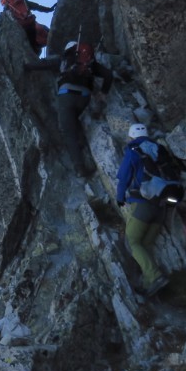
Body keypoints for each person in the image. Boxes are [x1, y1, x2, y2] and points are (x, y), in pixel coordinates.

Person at [24, 40, 113, 177]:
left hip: (66, 96)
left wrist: (27, 66)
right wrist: (103, 93)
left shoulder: (63, 59)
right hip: (84, 98)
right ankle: (82, 142)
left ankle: (80, 168)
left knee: (68, 132)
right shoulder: (89, 62)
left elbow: (43, 64)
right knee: (74, 119)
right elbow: (108, 75)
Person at [116, 123, 169, 297]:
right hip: (162, 206)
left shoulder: (133, 152)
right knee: (145, 243)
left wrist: (120, 197)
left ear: (131, 137)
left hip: (143, 203)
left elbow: (124, 176)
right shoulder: (160, 149)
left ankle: (155, 276)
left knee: (131, 242)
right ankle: (148, 284)